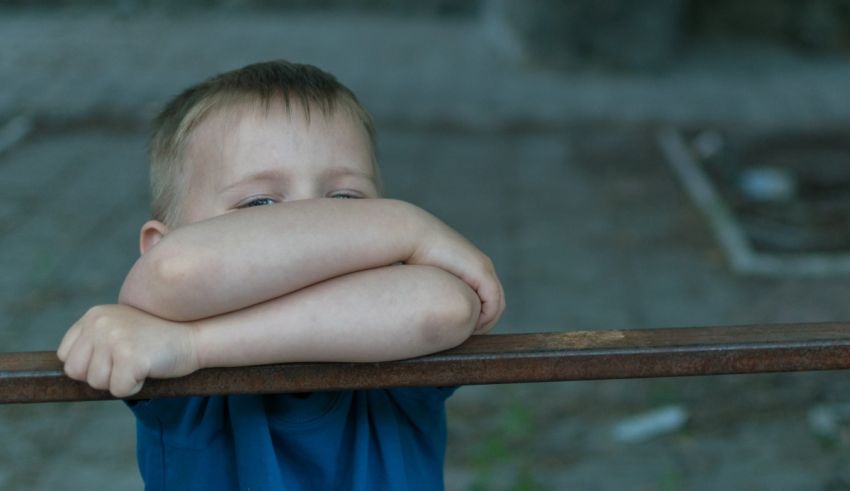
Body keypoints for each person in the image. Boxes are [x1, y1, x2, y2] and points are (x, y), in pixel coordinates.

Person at [56, 60, 505, 490]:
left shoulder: (399, 349)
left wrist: (195, 346)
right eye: (259, 205)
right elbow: (177, 271)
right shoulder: (152, 335)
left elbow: (442, 308)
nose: (307, 227)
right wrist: (409, 226)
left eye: (344, 200)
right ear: (159, 243)